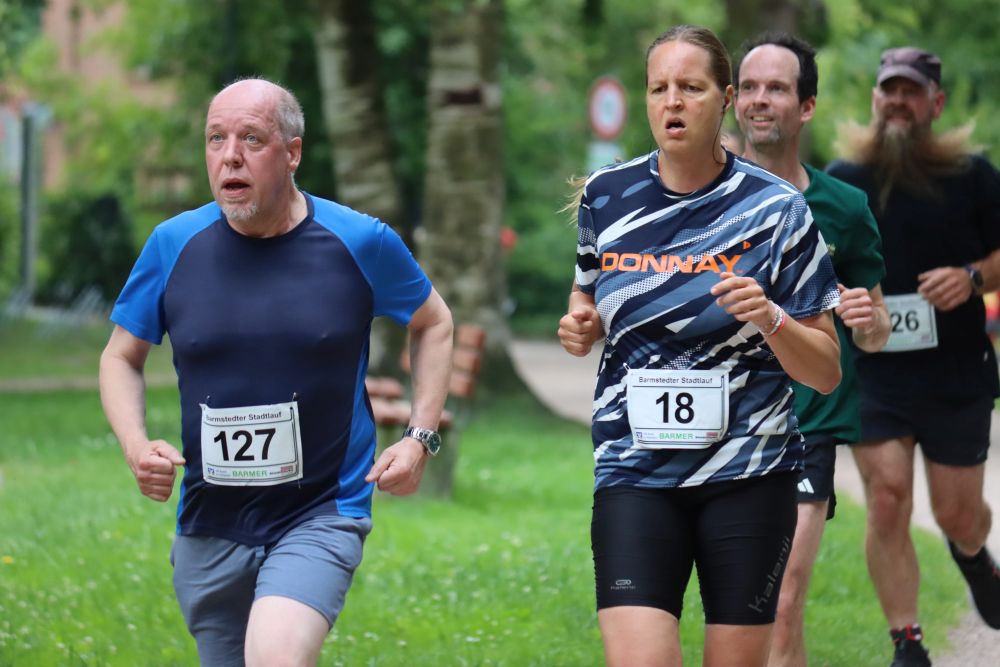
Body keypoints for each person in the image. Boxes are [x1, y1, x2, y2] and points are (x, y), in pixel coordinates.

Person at [98, 78, 453, 667]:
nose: (230, 156)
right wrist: (136, 445)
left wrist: (419, 438)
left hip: (321, 511)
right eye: (216, 138)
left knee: (277, 656)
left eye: (251, 139)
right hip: (209, 522)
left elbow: (434, 322)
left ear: (292, 153)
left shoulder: (359, 241)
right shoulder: (173, 245)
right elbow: (119, 356)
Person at [557, 24, 842, 667]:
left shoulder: (777, 209)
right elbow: (587, 291)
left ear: (726, 98)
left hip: (748, 474)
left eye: (691, 87)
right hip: (634, 469)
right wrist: (581, 321)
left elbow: (827, 371)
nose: (673, 102)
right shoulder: (607, 196)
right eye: (659, 88)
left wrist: (770, 317)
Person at [828, 47, 1000, 666]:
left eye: (911, 91)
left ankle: (973, 554)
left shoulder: (973, 176)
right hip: (875, 373)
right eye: (889, 90)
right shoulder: (844, 178)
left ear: (936, 102)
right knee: (887, 496)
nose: (897, 101)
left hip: (956, 372)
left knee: (958, 515)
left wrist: (972, 277)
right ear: (875, 99)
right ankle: (908, 642)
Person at [734, 33, 891, 667]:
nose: (759, 100)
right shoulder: (702, 199)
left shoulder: (844, 209)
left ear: (806, 107)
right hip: (722, 419)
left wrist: (866, 320)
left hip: (807, 422)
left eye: (776, 88)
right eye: (748, 87)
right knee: (739, 606)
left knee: (783, 595)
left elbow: (876, 330)